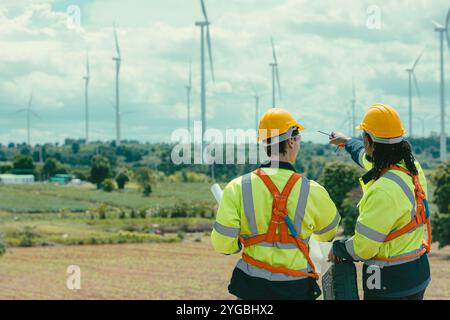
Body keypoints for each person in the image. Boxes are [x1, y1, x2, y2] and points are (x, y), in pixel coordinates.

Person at [211, 108, 340, 300]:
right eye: (299, 139)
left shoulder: (237, 187)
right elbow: (328, 232)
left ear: (264, 143)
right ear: (291, 141)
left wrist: (239, 242)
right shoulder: (312, 190)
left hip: (252, 289)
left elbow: (222, 244)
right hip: (296, 288)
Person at [328, 103, 431, 300]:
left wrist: (338, 247)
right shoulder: (411, 168)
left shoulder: (383, 190)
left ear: (369, 141)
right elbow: (364, 156)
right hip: (417, 272)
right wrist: (346, 142)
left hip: (389, 283)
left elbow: (364, 248)